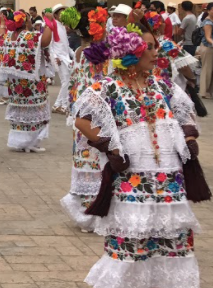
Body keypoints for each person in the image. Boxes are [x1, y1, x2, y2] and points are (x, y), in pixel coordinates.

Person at [74, 22, 204, 288]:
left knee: (172, 239)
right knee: (131, 241)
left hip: (169, 179)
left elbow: (185, 113)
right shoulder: (108, 87)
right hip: (132, 179)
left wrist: (189, 139)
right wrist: (110, 146)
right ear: (132, 52)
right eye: (151, 48)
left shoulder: (163, 86)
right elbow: (82, 120)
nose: (157, 53)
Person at [60, 7, 109, 232]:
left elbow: (74, 85)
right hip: (99, 113)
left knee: (87, 159)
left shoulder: (81, 51)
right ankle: (95, 212)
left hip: (82, 114)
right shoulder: (102, 52)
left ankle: (87, 211)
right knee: (99, 159)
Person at [0, 9, 53, 153]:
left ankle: (19, 141)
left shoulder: (8, 37)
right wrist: (49, 22)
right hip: (32, 83)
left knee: (21, 112)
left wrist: (2, 24)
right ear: (25, 21)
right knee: (35, 109)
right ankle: (30, 142)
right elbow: (46, 41)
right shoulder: (29, 36)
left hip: (16, 85)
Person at [48, 5, 74, 116]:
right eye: (61, 14)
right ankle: (63, 105)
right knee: (66, 81)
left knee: (66, 81)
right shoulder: (53, 26)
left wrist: (74, 54)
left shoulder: (62, 27)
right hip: (59, 58)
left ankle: (58, 105)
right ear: (55, 15)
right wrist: (54, 57)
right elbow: (50, 44)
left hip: (65, 57)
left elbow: (65, 45)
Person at [198, 3, 213, 98]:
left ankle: (209, 91)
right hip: (208, 47)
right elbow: (208, 37)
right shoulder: (208, 22)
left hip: (210, 47)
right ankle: (204, 92)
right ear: (208, 10)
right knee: (207, 69)